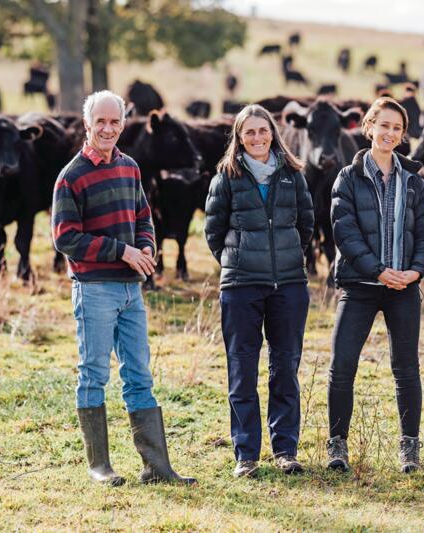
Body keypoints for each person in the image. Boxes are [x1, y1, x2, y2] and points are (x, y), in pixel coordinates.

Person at [52, 90, 195, 486]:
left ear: (123, 124)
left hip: (132, 291)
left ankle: (156, 466)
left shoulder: (130, 167)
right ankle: (99, 465)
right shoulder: (71, 176)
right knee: (94, 373)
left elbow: (144, 215)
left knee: (139, 375)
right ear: (87, 124)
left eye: (115, 122)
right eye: (100, 121)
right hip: (94, 287)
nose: (108, 129)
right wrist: (123, 251)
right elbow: (65, 238)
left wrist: (146, 244)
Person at [327, 97, 424, 473]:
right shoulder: (348, 177)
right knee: (342, 364)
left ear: (402, 136)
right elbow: (345, 230)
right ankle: (337, 446)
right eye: (383, 125)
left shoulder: (414, 182)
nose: (389, 133)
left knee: (406, 368)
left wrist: (416, 271)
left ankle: (409, 448)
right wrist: (376, 270)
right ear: (368, 126)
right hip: (359, 285)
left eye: (397, 128)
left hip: (403, 288)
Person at [204, 105, 314, 478]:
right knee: (242, 369)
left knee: (285, 367)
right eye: (248, 132)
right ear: (238, 137)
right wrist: (237, 262)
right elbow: (213, 232)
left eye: (262, 131)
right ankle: (246, 454)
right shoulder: (226, 177)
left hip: (289, 286)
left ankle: (285, 450)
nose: (256, 138)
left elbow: (306, 223)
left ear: (273, 133)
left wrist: (288, 257)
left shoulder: (292, 175)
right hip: (241, 287)